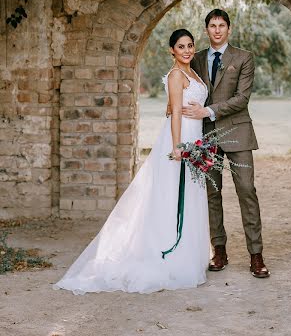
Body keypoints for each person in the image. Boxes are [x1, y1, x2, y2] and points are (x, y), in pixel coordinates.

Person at [53, 29, 210, 295]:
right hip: (181, 140)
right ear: (172, 50)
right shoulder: (176, 75)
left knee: (191, 195)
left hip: (196, 137)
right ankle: (169, 250)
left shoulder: (193, 73)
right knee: (172, 196)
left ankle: (191, 252)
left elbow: (178, 107)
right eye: (181, 46)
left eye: (190, 45)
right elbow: (174, 116)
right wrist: (177, 148)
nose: (186, 50)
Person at [183, 9, 270, 278]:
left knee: (246, 190)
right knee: (211, 193)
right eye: (212, 25)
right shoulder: (195, 59)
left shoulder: (244, 58)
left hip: (238, 132)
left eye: (222, 25)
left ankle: (256, 255)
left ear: (229, 29)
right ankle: (218, 250)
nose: (217, 30)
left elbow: (242, 99)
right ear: (206, 30)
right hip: (206, 136)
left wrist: (207, 111)